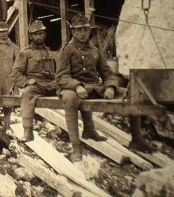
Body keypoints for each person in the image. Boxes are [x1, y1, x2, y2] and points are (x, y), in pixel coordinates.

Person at [57, 13, 152, 162]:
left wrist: (111, 87)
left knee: (133, 93)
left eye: (85, 30)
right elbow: (62, 76)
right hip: (73, 88)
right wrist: (76, 86)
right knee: (70, 98)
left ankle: (137, 140)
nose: (83, 33)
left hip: (94, 88)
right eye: (79, 30)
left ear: (89, 31)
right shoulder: (67, 50)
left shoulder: (95, 50)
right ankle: (76, 147)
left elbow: (107, 73)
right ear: (73, 32)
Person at [11, 20, 57, 142]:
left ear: (44, 35)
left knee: (71, 93)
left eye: (41, 33)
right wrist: (27, 82)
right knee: (27, 94)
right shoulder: (25, 53)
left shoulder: (51, 53)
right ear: (31, 36)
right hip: (36, 86)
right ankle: (28, 131)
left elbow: (60, 71)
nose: (38, 36)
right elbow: (15, 74)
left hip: (53, 85)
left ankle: (86, 130)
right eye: (35, 34)